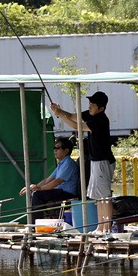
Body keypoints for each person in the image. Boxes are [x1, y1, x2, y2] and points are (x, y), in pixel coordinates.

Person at [49, 90, 116, 234]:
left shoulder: (100, 120)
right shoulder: (92, 114)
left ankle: (107, 228)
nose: (90, 106)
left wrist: (60, 115)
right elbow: (74, 116)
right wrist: (59, 111)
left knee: (105, 197)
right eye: (90, 103)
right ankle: (100, 227)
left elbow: (76, 126)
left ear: (101, 108)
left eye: (93, 104)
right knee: (98, 197)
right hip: (96, 162)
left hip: (102, 161)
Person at [19, 136, 79, 219]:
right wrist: (33, 187)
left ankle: (36, 222)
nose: (55, 150)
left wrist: (40, 188)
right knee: (35, 193)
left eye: (58, 148)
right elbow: (48, 180)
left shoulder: (68, 163)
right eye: (54, 148)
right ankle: (39, 219)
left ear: (66, 151)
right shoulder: (61, 164)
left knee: (38, 195)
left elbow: (57, 181)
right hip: (60, 192)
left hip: (67, 194)